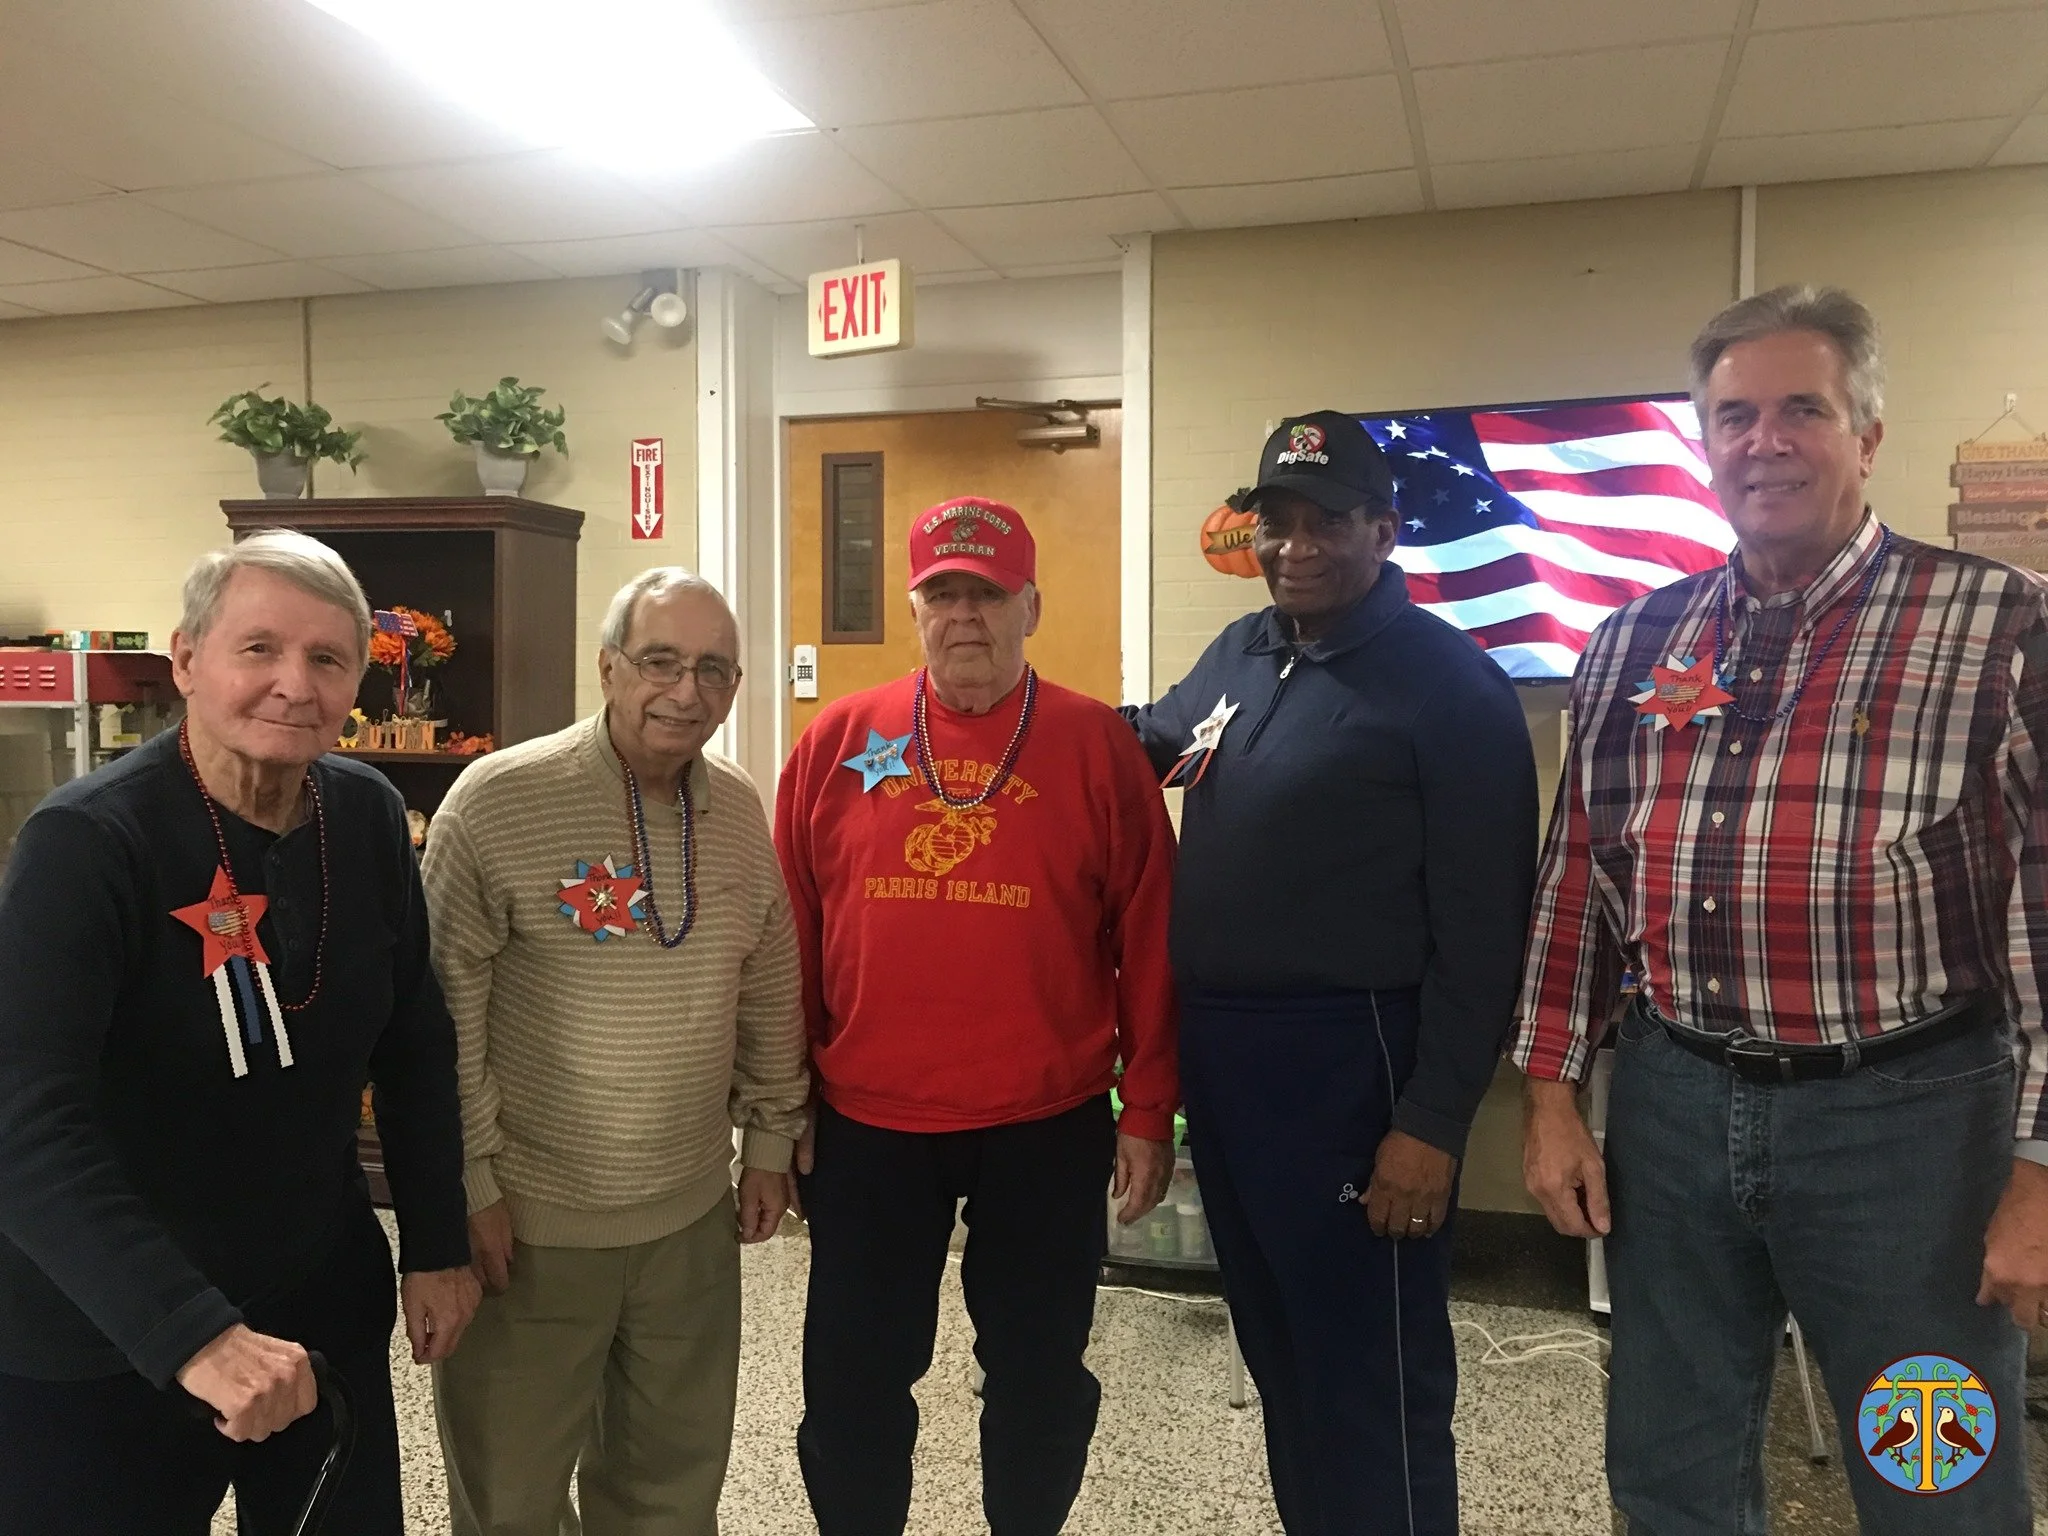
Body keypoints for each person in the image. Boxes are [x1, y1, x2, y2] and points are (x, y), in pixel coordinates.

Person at [1515, 285, 2048, 1532]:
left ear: (1865, 434)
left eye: (1799, 409)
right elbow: (1574, 884)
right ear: (1701, 444)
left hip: (1908, 1132)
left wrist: (2038, 1169)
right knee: (1669, 1462)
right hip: (1673, 1113)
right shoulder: (1631, 641)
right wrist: (1548, 1096)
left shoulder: (1998, 625)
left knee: (1932, 1484)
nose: (1764, 441)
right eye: (1733, 416)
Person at [0, 531, 477, 1535]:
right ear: (185, 660)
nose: (292, 685)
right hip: (107, 1326)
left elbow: (414, 1042)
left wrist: (434, 1239)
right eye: (258, 649)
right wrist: (194, 1334)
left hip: (314, 1298)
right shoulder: (85, 846)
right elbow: (24, 1123)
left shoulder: (366, 815)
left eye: (326, 659)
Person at [1125, 412, 1538, 1535]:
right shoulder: (1240, 652)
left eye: (1326, 523)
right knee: (1283, 1364)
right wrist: (1003, 721)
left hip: (1353, 1070)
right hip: (1227, 1065)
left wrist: (1433, 1123)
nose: (1294, 546)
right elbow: (1142, 745)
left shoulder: (1447, 687)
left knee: (1371, 1384)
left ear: (1384, 531)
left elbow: (1486, 928)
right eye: (1275, 523)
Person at [775, 497, 1178, 1536]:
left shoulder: (1097, 745)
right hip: (867, 1123)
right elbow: (783, 940)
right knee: (854, 1383)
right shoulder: (834, 741)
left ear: (1030, 605)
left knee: (1040, 1378)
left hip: (1045, 1120)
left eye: (987, 594)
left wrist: (1148, 1110)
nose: (965, 616)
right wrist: (781, 1108)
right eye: (942, 593)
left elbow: (1152, 937)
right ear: (913, 608)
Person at [424, 567, 809, 1536]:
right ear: (606, 667)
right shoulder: (497, 802)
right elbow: (443, 1016)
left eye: (714, 670)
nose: (687, 693)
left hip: (687, 1224)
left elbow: (767, 980)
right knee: (508, 1498)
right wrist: (467, 1181)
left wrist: (767, 1138)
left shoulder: (735, 809)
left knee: (670, 1493)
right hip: (528, 1230)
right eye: (660, 663)